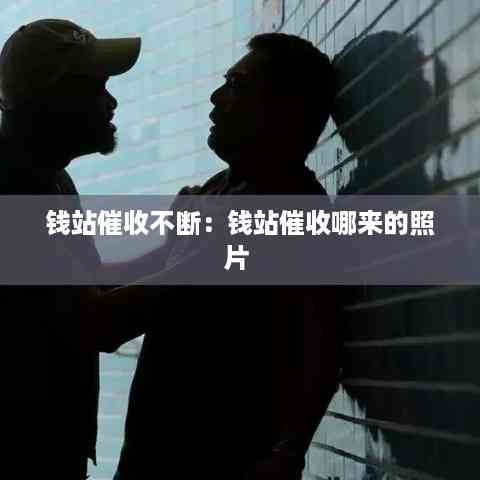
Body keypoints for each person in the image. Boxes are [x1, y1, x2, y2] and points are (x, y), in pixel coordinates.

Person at [114, 33, 341, 480]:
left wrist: (288, 453)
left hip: (222, 460)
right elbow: (146, 277)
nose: (216, 98)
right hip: (151, 458)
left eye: (236, 84)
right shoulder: (218, 189)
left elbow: (322, 344)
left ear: (285, 111)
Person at [0, 18, 183, 479]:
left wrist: (177, 247)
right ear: (53, 96)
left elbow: (90, 285)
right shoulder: (11, 189)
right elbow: (94, 324)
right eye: (97, 86)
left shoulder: (49, 179)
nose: (111, 101)